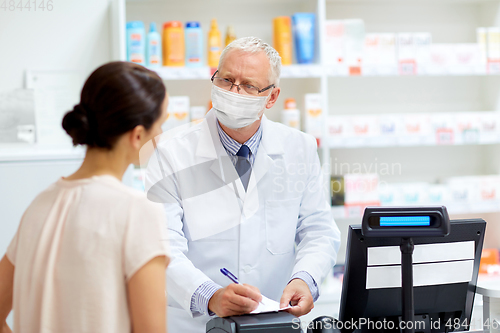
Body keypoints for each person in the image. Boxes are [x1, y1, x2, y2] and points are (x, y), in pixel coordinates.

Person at [146, 37, 341, 333]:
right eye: (226, 80)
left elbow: (318, 229)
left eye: (248, 85)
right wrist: (209, 295)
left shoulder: (298, 147)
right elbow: (161, 245)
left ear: (272, 97)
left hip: (274, 320)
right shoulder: (170, 151)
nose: (233, 92)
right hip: (196, 324)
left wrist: (305, 278)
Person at [0, 61, 170, 333]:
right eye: (161, 124)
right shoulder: (137, 212)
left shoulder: (40, 204)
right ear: (137, 135)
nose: (161, 137)